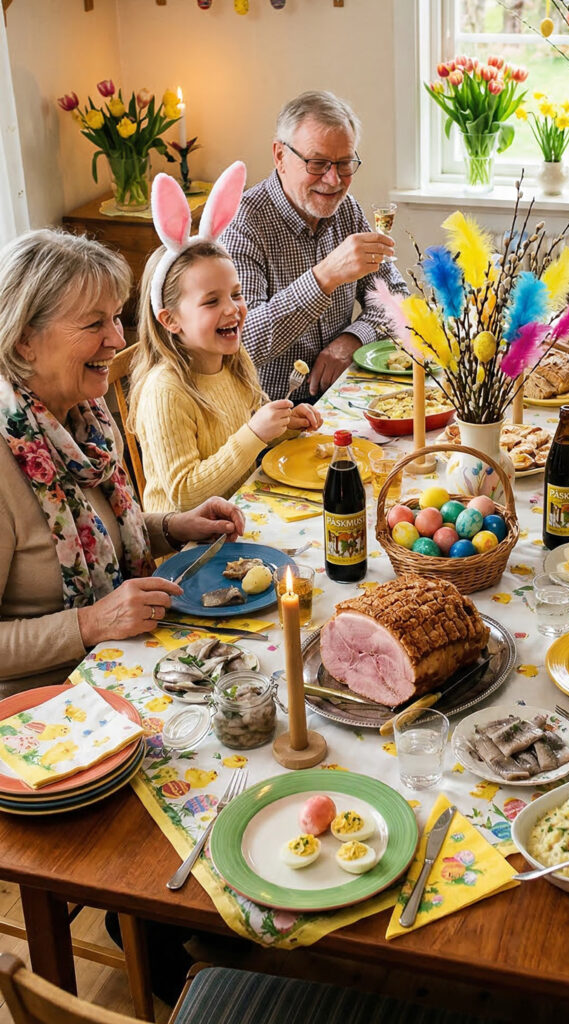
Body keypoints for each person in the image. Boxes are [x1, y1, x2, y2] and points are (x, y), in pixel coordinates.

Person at [0, 229, 247, 697]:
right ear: (24, 341)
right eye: (94, 325)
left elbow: (103, 534)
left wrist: (172, 527)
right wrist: (91, 623)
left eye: (116, 318)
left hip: (121, 660)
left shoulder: (85, 417)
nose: (117, 338)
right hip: (45, 706)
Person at [130, 162, 322, 514]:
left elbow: (243, 436)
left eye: (236, 294)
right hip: (189, 549)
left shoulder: (233, 361)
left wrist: (283, 425)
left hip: (240, 513)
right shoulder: (166, 391)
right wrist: (256, 433)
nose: (233, 309)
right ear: (171, 320)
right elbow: (185, 495)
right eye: (211, 301)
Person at [222, 90, 408, 403]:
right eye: (318, 163)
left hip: (342, 400)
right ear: (280, 156)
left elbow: (397, 299)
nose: (334, 180)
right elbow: (243, 342)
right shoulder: (242, 224)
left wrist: (352, 339)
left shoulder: (347, 210)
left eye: (345, 163)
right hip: (268, 419)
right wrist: (324, 277)